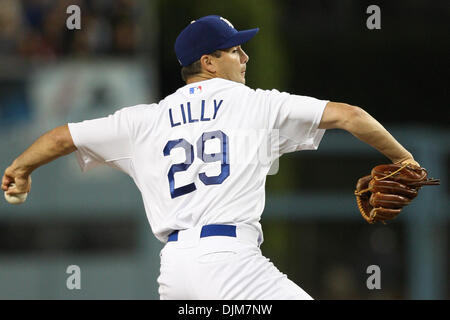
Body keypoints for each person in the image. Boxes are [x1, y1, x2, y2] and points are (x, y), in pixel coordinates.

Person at [2, 15, 419, 299]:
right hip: (231, 262)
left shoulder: (144, 120)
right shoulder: (255, 103)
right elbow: (351, 115)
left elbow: (63, 136)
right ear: (209, 62)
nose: (245, 57)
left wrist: (20, 169)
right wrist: (407, 161)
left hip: (176, 272)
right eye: (235, 49)